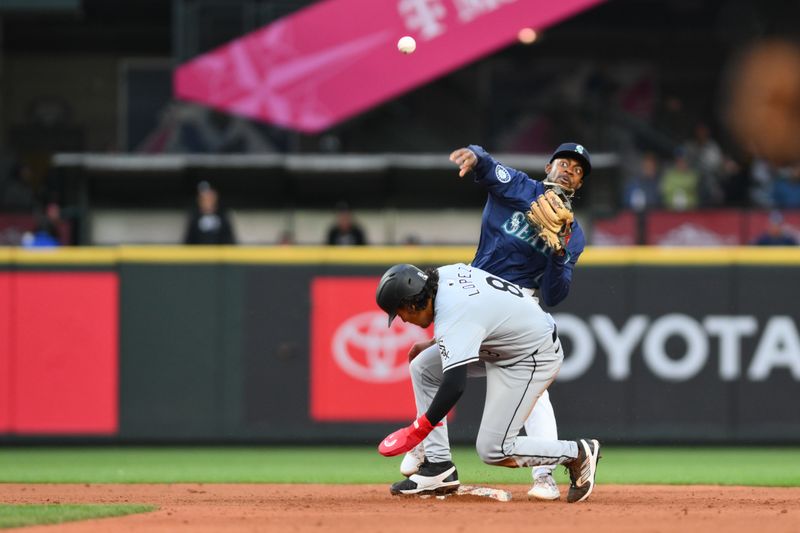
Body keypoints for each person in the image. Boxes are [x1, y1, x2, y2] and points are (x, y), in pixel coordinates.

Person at [397, 142, 591, 501]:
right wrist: (474, 155)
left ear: (579, 185)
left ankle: (545, 473)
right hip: (475, 299)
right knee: (424, 365)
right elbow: (488, 167)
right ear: (548, 167)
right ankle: (435, 462)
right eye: (563, 163)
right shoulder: (520, 187)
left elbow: (555, 294)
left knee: (533, 394)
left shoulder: (573, 233)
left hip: (517, 309)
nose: (568, 170)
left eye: (577, 170)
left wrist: (560, 254)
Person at [375, 263, 601, 503]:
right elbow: (478, 310)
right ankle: (438, 467)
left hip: (531, 355)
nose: (402, 320)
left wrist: (417, 429)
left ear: (411, 303)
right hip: (504, 342)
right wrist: (435, 342)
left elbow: (454, 386)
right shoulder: (443, 275)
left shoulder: (455, 317)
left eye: (399, 312)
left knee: (494, 449)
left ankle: (577, 453)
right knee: (423, 368)